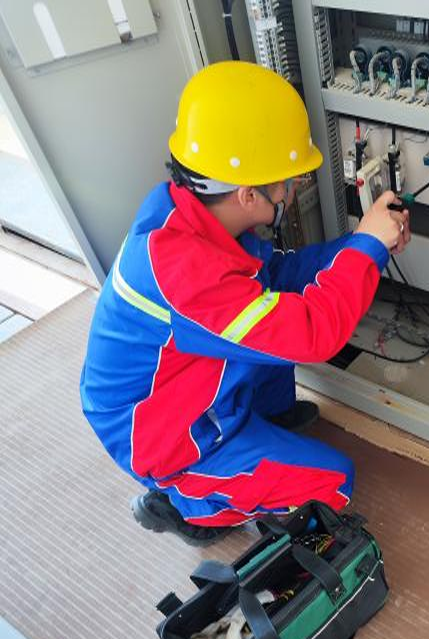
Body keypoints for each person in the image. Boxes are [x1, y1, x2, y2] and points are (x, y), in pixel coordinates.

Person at [80, 60, 410, 545]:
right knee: (333, 483)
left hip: (174, 389)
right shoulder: (188, 273)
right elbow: (313, 333)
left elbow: (283, 276)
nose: (293, 189)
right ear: (248, 194)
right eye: (286, 181)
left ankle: (264, 428)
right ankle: (184, 503)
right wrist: (369, 248)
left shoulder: (188, 214)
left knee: (273, 306)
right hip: (163, 436)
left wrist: (362, 242)